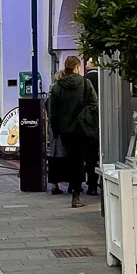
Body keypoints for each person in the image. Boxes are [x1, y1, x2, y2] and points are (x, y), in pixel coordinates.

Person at [49, 56, 100, 208]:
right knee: (85, 159)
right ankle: (79, 193)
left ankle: (74, 189)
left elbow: (53, 112)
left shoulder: (57, 87)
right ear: (77, 67)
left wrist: (57, 130)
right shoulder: (85, 83)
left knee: (73, 161)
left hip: (66, 131)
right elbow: (94, 104)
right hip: (83, 129)